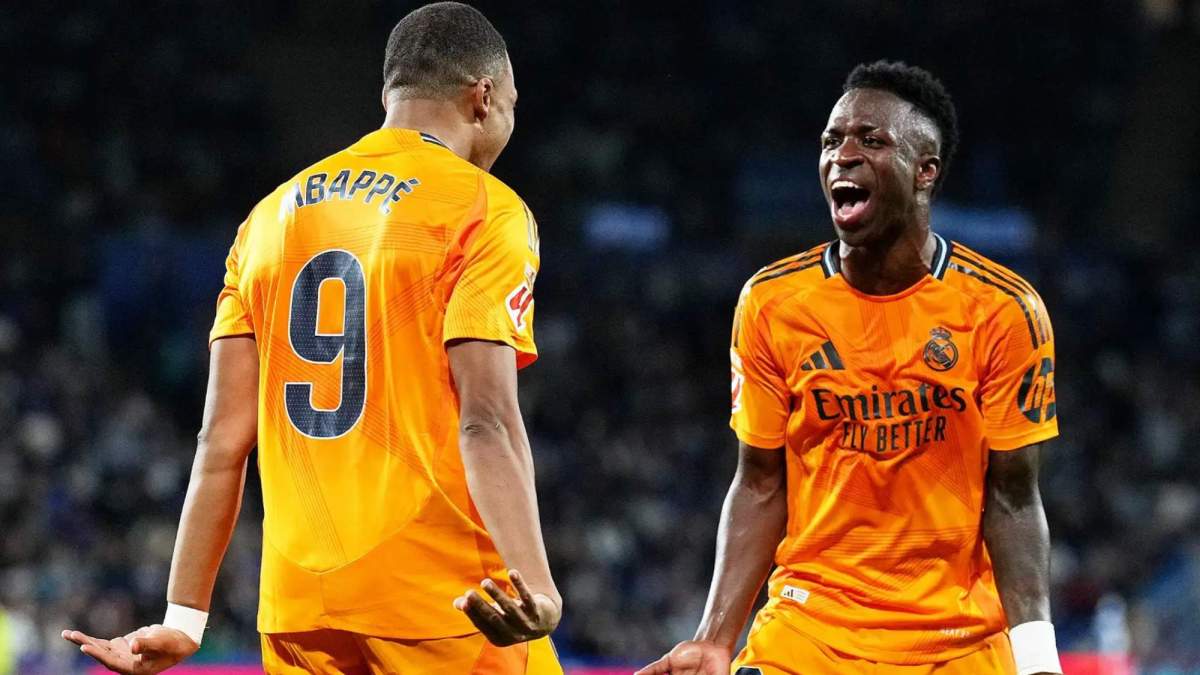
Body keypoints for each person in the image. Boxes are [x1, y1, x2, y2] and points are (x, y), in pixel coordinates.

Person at [62, 3, 563, 673]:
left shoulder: (266, 219)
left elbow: (221, 440)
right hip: (440, 601)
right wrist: (537, 584)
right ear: (484, 97)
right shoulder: (485, 208)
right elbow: (487, 420)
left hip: (298, 612)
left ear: (390, 96)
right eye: (513, 106)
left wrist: (184, 617)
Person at [637, 61, 1062, 675]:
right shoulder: (774, 303)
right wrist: (713, 638)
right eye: (831, 140)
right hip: (809, 634)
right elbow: (759, 482)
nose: (843, 155)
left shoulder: (1002, 310)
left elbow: (1014, 496)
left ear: (925, 171)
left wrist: (1040, 661)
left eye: (871, 139)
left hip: (956, 641)